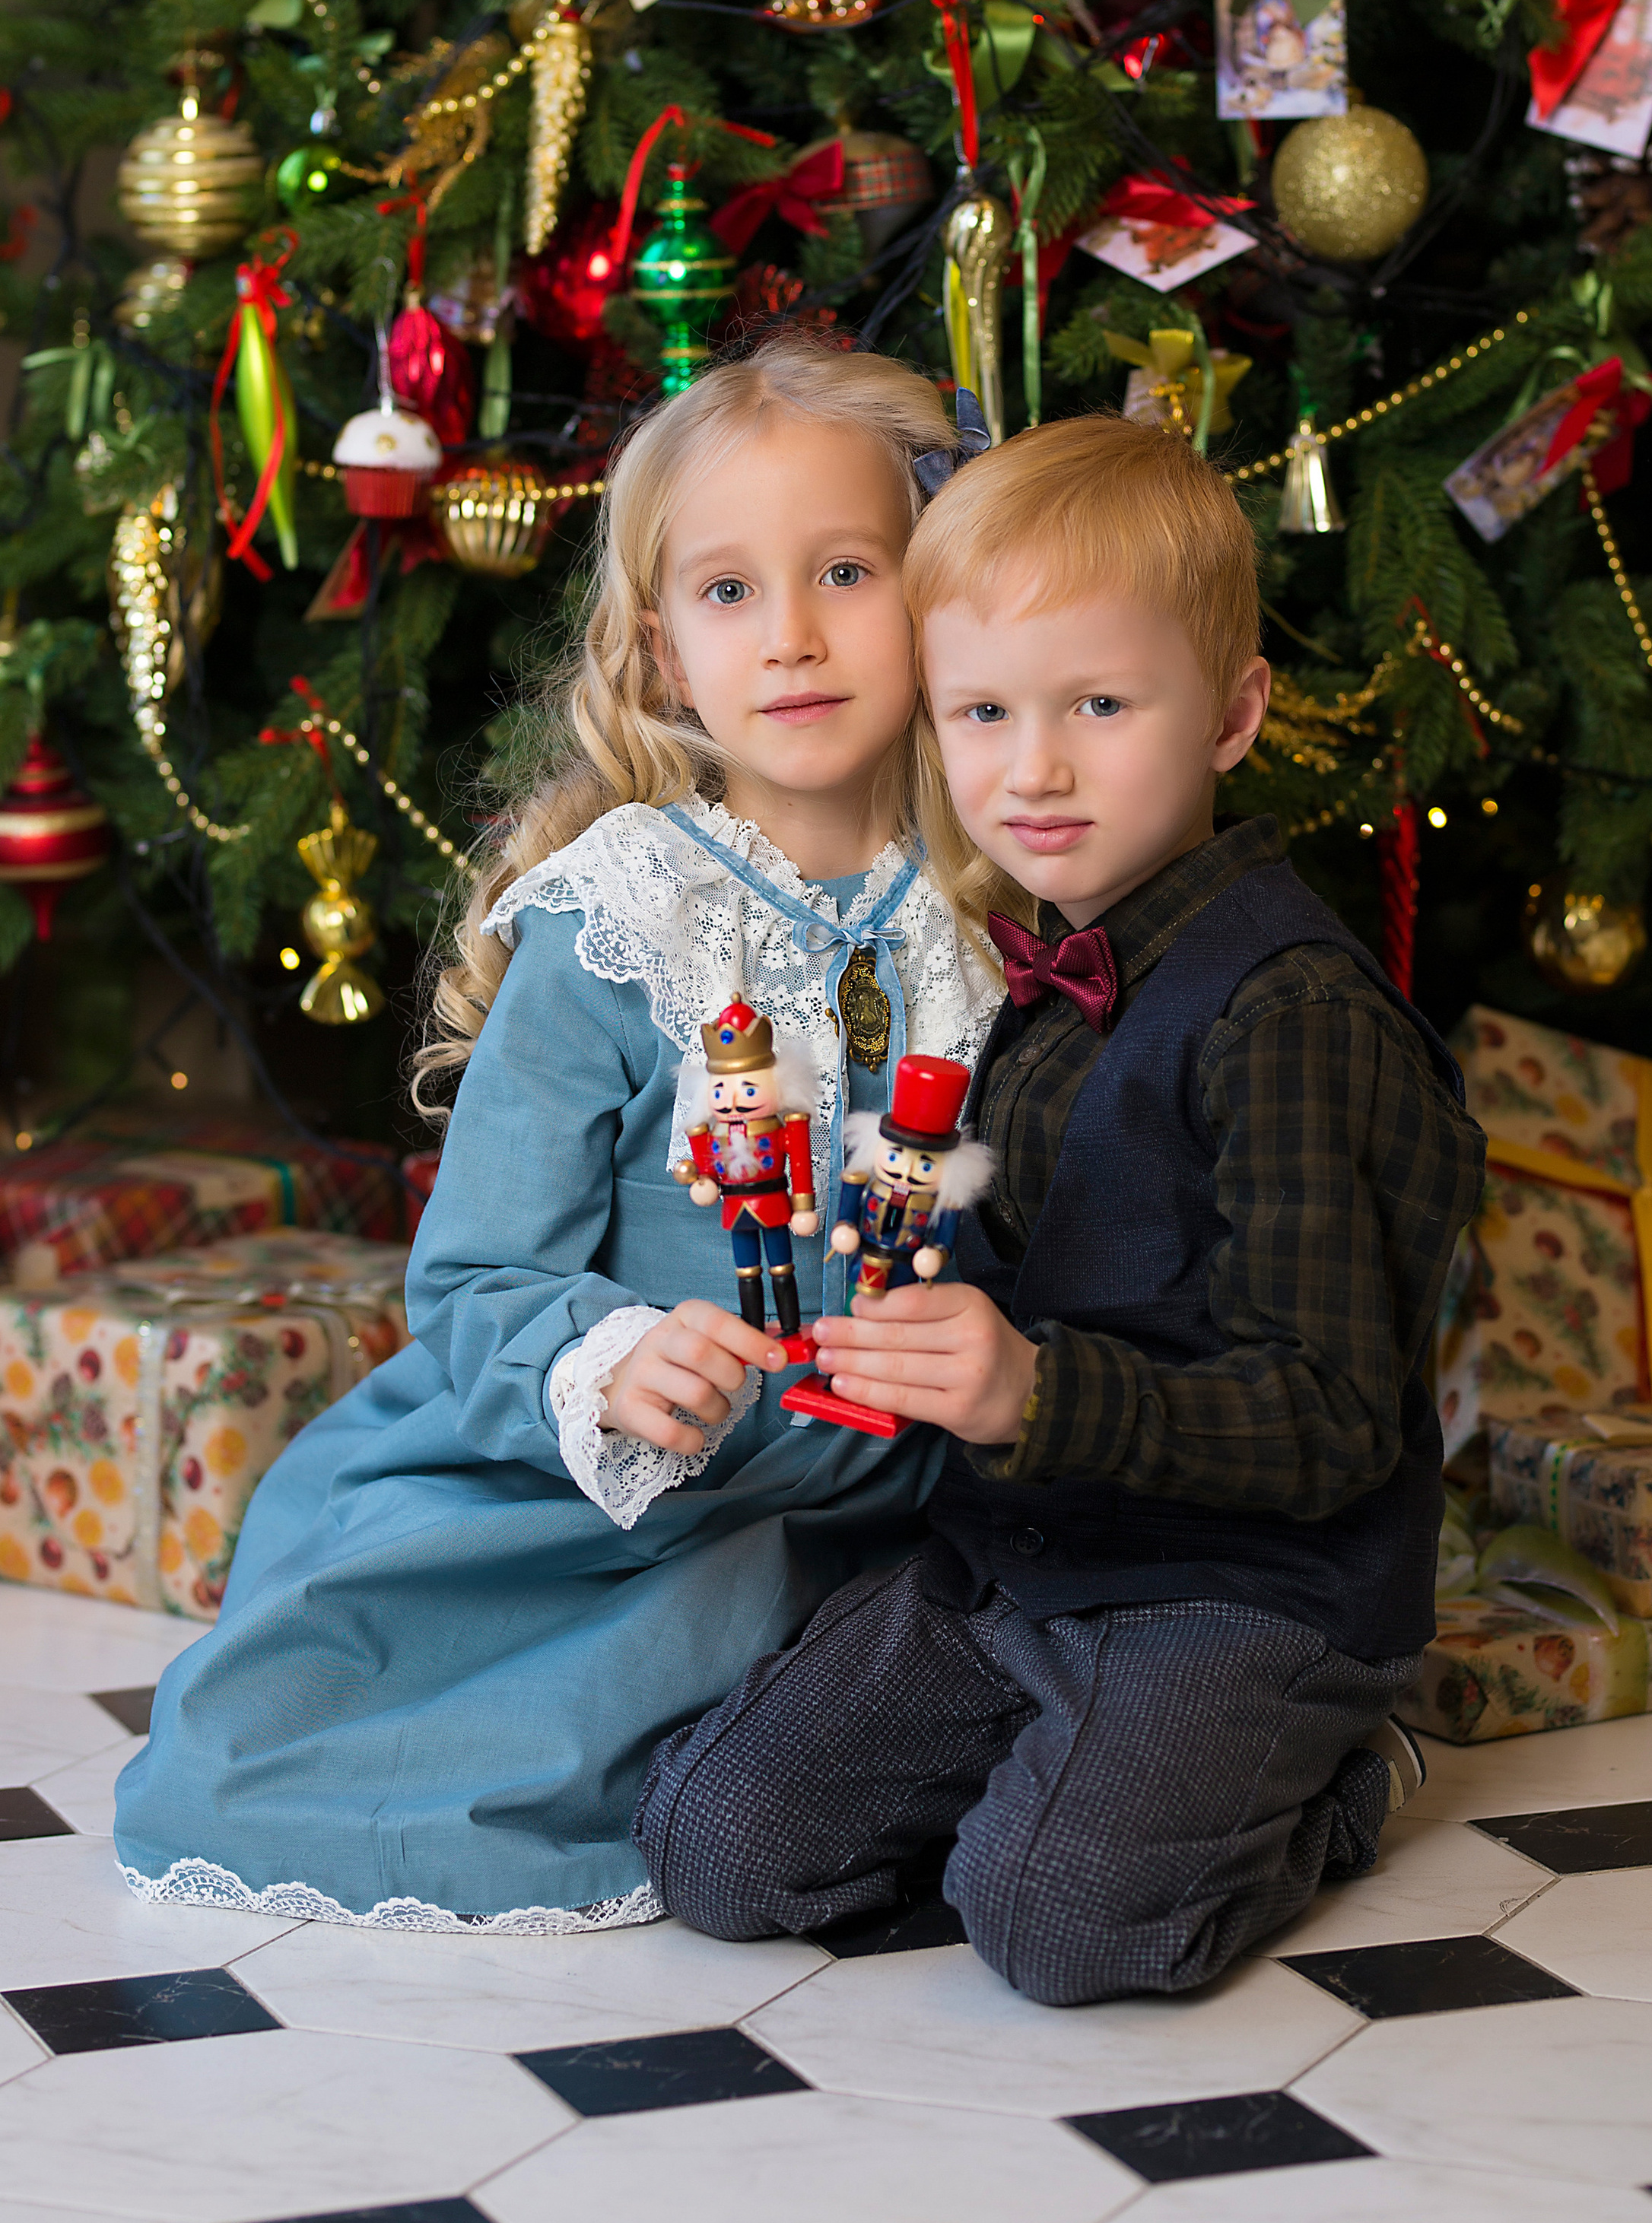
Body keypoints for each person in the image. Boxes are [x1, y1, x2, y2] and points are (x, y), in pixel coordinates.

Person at [113, 337, 1000, 1930]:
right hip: (605, 1490)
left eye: (846, 571)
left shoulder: (994, 911)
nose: (791, 638)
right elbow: (473, 1285)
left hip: (880, 1492)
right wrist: (615, 1365)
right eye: (728, 593)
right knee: (290, 1737)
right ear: (659, 653)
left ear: (933, 595)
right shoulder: (617, 926)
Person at [635, 414, 1484, 2002]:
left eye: (1099, 705)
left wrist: (1029, 1387)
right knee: (719, 1839)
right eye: (980, 711)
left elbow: (1330, 1420)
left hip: (1242, 1592)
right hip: (1017, 1557)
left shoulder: (1291, 1016)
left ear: (1232, 713)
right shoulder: (1036, 978)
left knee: (1054, 1922)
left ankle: (1330, 1782)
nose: (1031, 769)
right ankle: (1062, 1757)